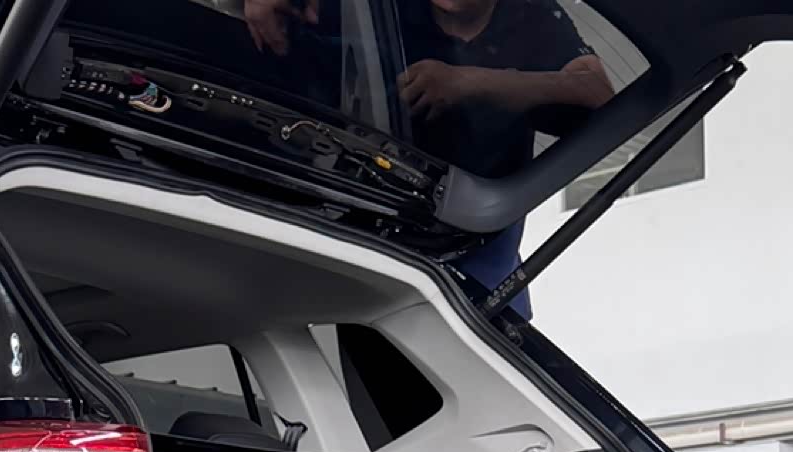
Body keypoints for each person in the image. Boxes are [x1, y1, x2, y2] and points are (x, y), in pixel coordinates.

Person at [242, 0, 614, 318]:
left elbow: (597, 92)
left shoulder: (529, 15)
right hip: (375, 231)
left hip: (481, 247)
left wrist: (472, 83)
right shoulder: (380, 6)